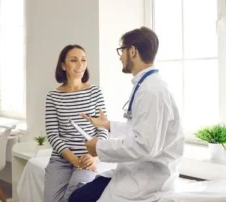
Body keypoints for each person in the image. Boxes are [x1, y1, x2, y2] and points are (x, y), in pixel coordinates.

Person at [68, 27, 185, 202]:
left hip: (147, 180)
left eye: (121, 50)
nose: (120, 56)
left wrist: (98, 148)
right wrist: (109, 125)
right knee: (79, 196)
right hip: (134, 172)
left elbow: (144, 146)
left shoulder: (152, 91)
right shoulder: (146, 85)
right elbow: (143, 128)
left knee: (78, 199)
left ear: (132, 51)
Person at [44, 44, 109, 202]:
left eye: (83, 60)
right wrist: (73, 159)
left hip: (88, 157)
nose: (80, 65)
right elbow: (53, 135)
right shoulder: (53, 96)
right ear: (63, 66)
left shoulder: (95, 92)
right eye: (74, 60)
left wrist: (94, 156)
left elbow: (103, 129)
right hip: (61, 159)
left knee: (75, 197)